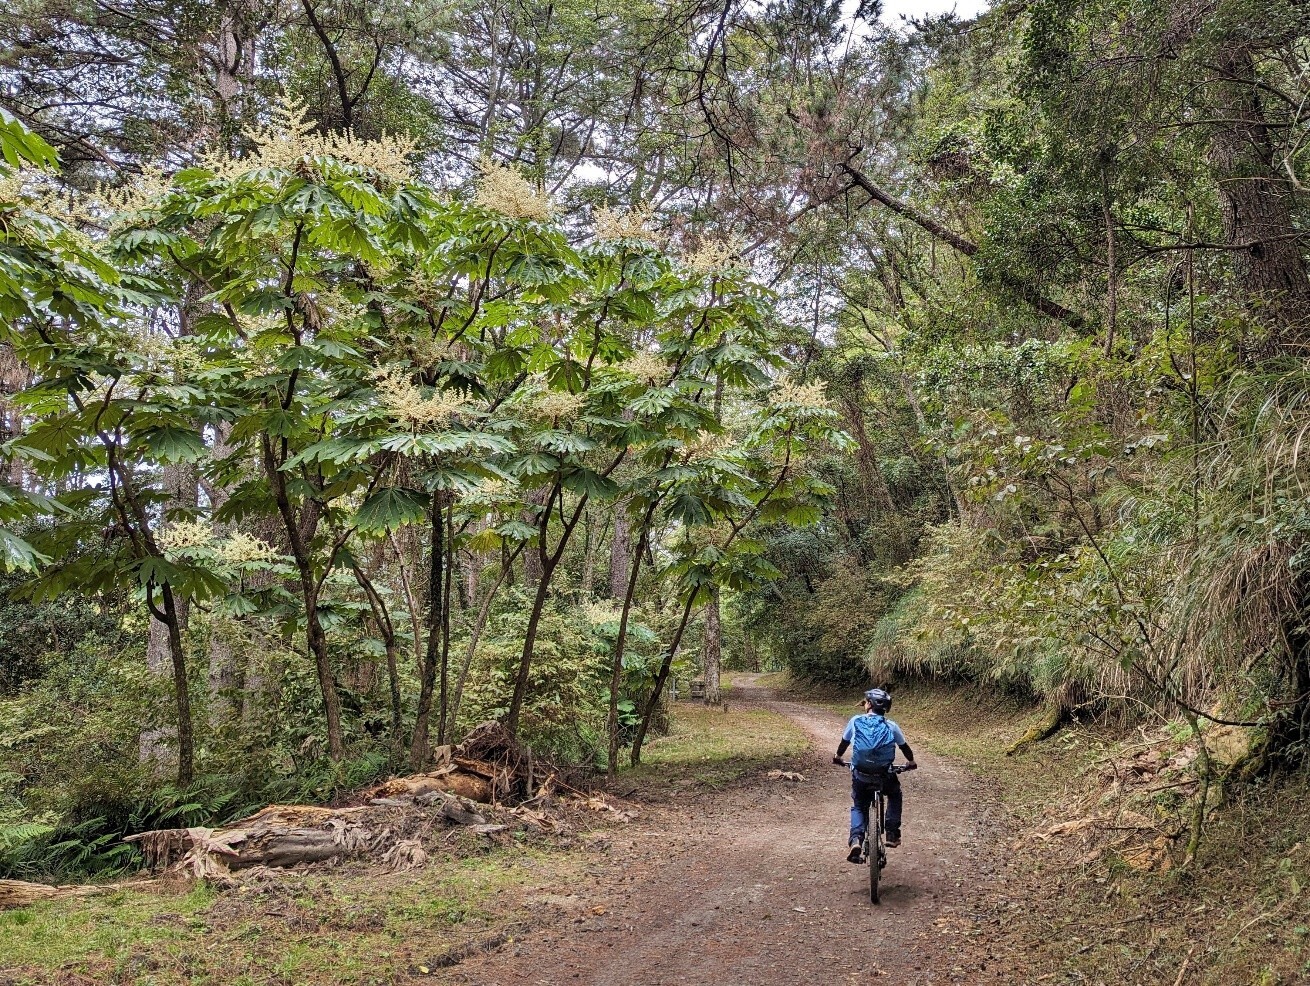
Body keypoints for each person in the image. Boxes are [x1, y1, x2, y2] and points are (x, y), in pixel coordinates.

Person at [833, 687, 917, 863]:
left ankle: (856, 839)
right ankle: (892, 834)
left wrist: (838, 758)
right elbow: (905, 748)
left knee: (858, 805)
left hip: (861, 775)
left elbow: (844, 743)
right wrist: (910, 762)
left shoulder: (855, 721)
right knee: (894, 794)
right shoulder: (891, 726)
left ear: (869, 704)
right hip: (884, 776)